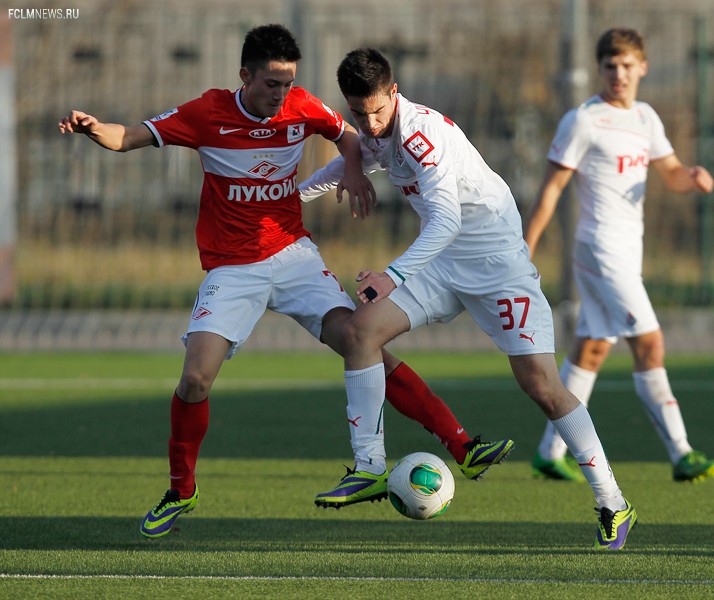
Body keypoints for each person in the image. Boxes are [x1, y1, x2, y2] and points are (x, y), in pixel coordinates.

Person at [58, 24, 513, 539]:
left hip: (294, 256)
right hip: (232, 268)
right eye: (272, 83)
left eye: (288, 82)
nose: (282, 94)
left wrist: (354, 170)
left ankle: (462, 446)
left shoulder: (301, 105)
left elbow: (346, 134)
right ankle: (181, 490)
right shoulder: (206, 113)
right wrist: (96, 129)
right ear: (245, 76)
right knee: (195, 379)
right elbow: (129, 137)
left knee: (360, 341)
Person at [299, 47, 636, 550]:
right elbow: (347, 166)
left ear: (394, 94)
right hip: (443, 263)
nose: (368, 124)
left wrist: (391, 275)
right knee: (361, 333)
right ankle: (368, 465)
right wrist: (284, 199)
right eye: (357, 113)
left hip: (496, 263)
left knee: (541, 385)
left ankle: (613, 502)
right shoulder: (378, 131)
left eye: (376, 110)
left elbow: (448, 221)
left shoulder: (420, 135)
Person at [524, 27, 714, 484]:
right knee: (649, 342)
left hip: (629, 250)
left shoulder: (646, 117)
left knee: (590, 349)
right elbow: (552, 190)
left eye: (628, 65)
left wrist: (693, 176)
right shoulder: (584, 119)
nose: (619, 74)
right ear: (600, 68)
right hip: (598, 248)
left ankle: (550, 451)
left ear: (642, 68)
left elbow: (669, 174)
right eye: (611, 65)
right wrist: (524, 250)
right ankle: (682, 452)